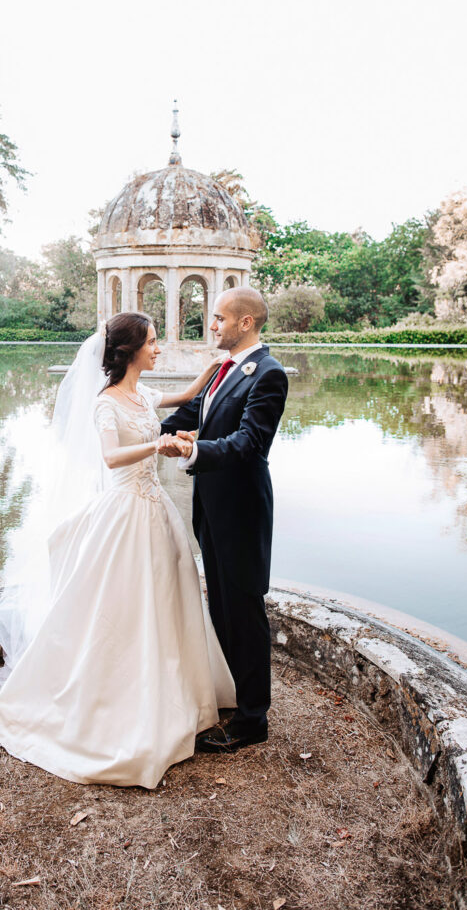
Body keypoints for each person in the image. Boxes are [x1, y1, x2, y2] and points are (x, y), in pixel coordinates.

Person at [0, 312, 236, 789]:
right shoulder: (106, 404)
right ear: (130, 351)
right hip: (124, 509)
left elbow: (185, 396)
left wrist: (216, 366)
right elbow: (110, 457)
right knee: (120, 604)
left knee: (165, 596)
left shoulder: (141, 395)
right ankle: (112, 701)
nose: (158, 348)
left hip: (155, 508)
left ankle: (174, 692)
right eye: (152, 341)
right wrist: (156, 445)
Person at [159, 287, 289, 753]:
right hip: (210, 505)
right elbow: (195, 413)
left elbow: (250, 442)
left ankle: (253, 719)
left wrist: (193, 449)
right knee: (221, 607)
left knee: (245, 610)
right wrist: (143, 431)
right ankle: (234, 695)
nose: (212, 325)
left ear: (245, 323)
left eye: (218, 319)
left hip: (241, 508)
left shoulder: (267, 374)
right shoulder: (223, 370)